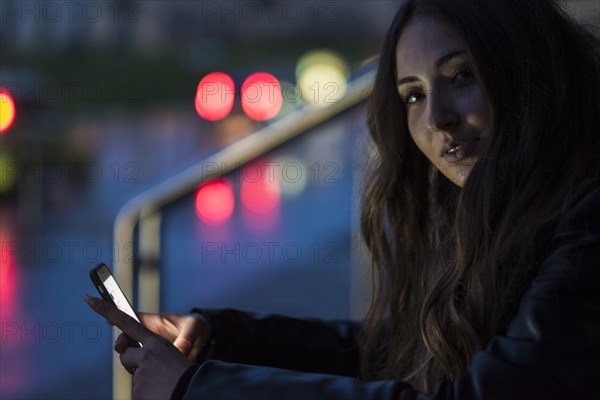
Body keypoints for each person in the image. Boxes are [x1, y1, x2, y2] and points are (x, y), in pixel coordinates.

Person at [85, 0, 600, 398]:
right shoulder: (510, 208)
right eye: (413, 95)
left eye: (462, 75)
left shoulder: (585, 216)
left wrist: (201, 388)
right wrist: (219, 338)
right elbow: (400, 350)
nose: (437, 117)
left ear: (529, 70)